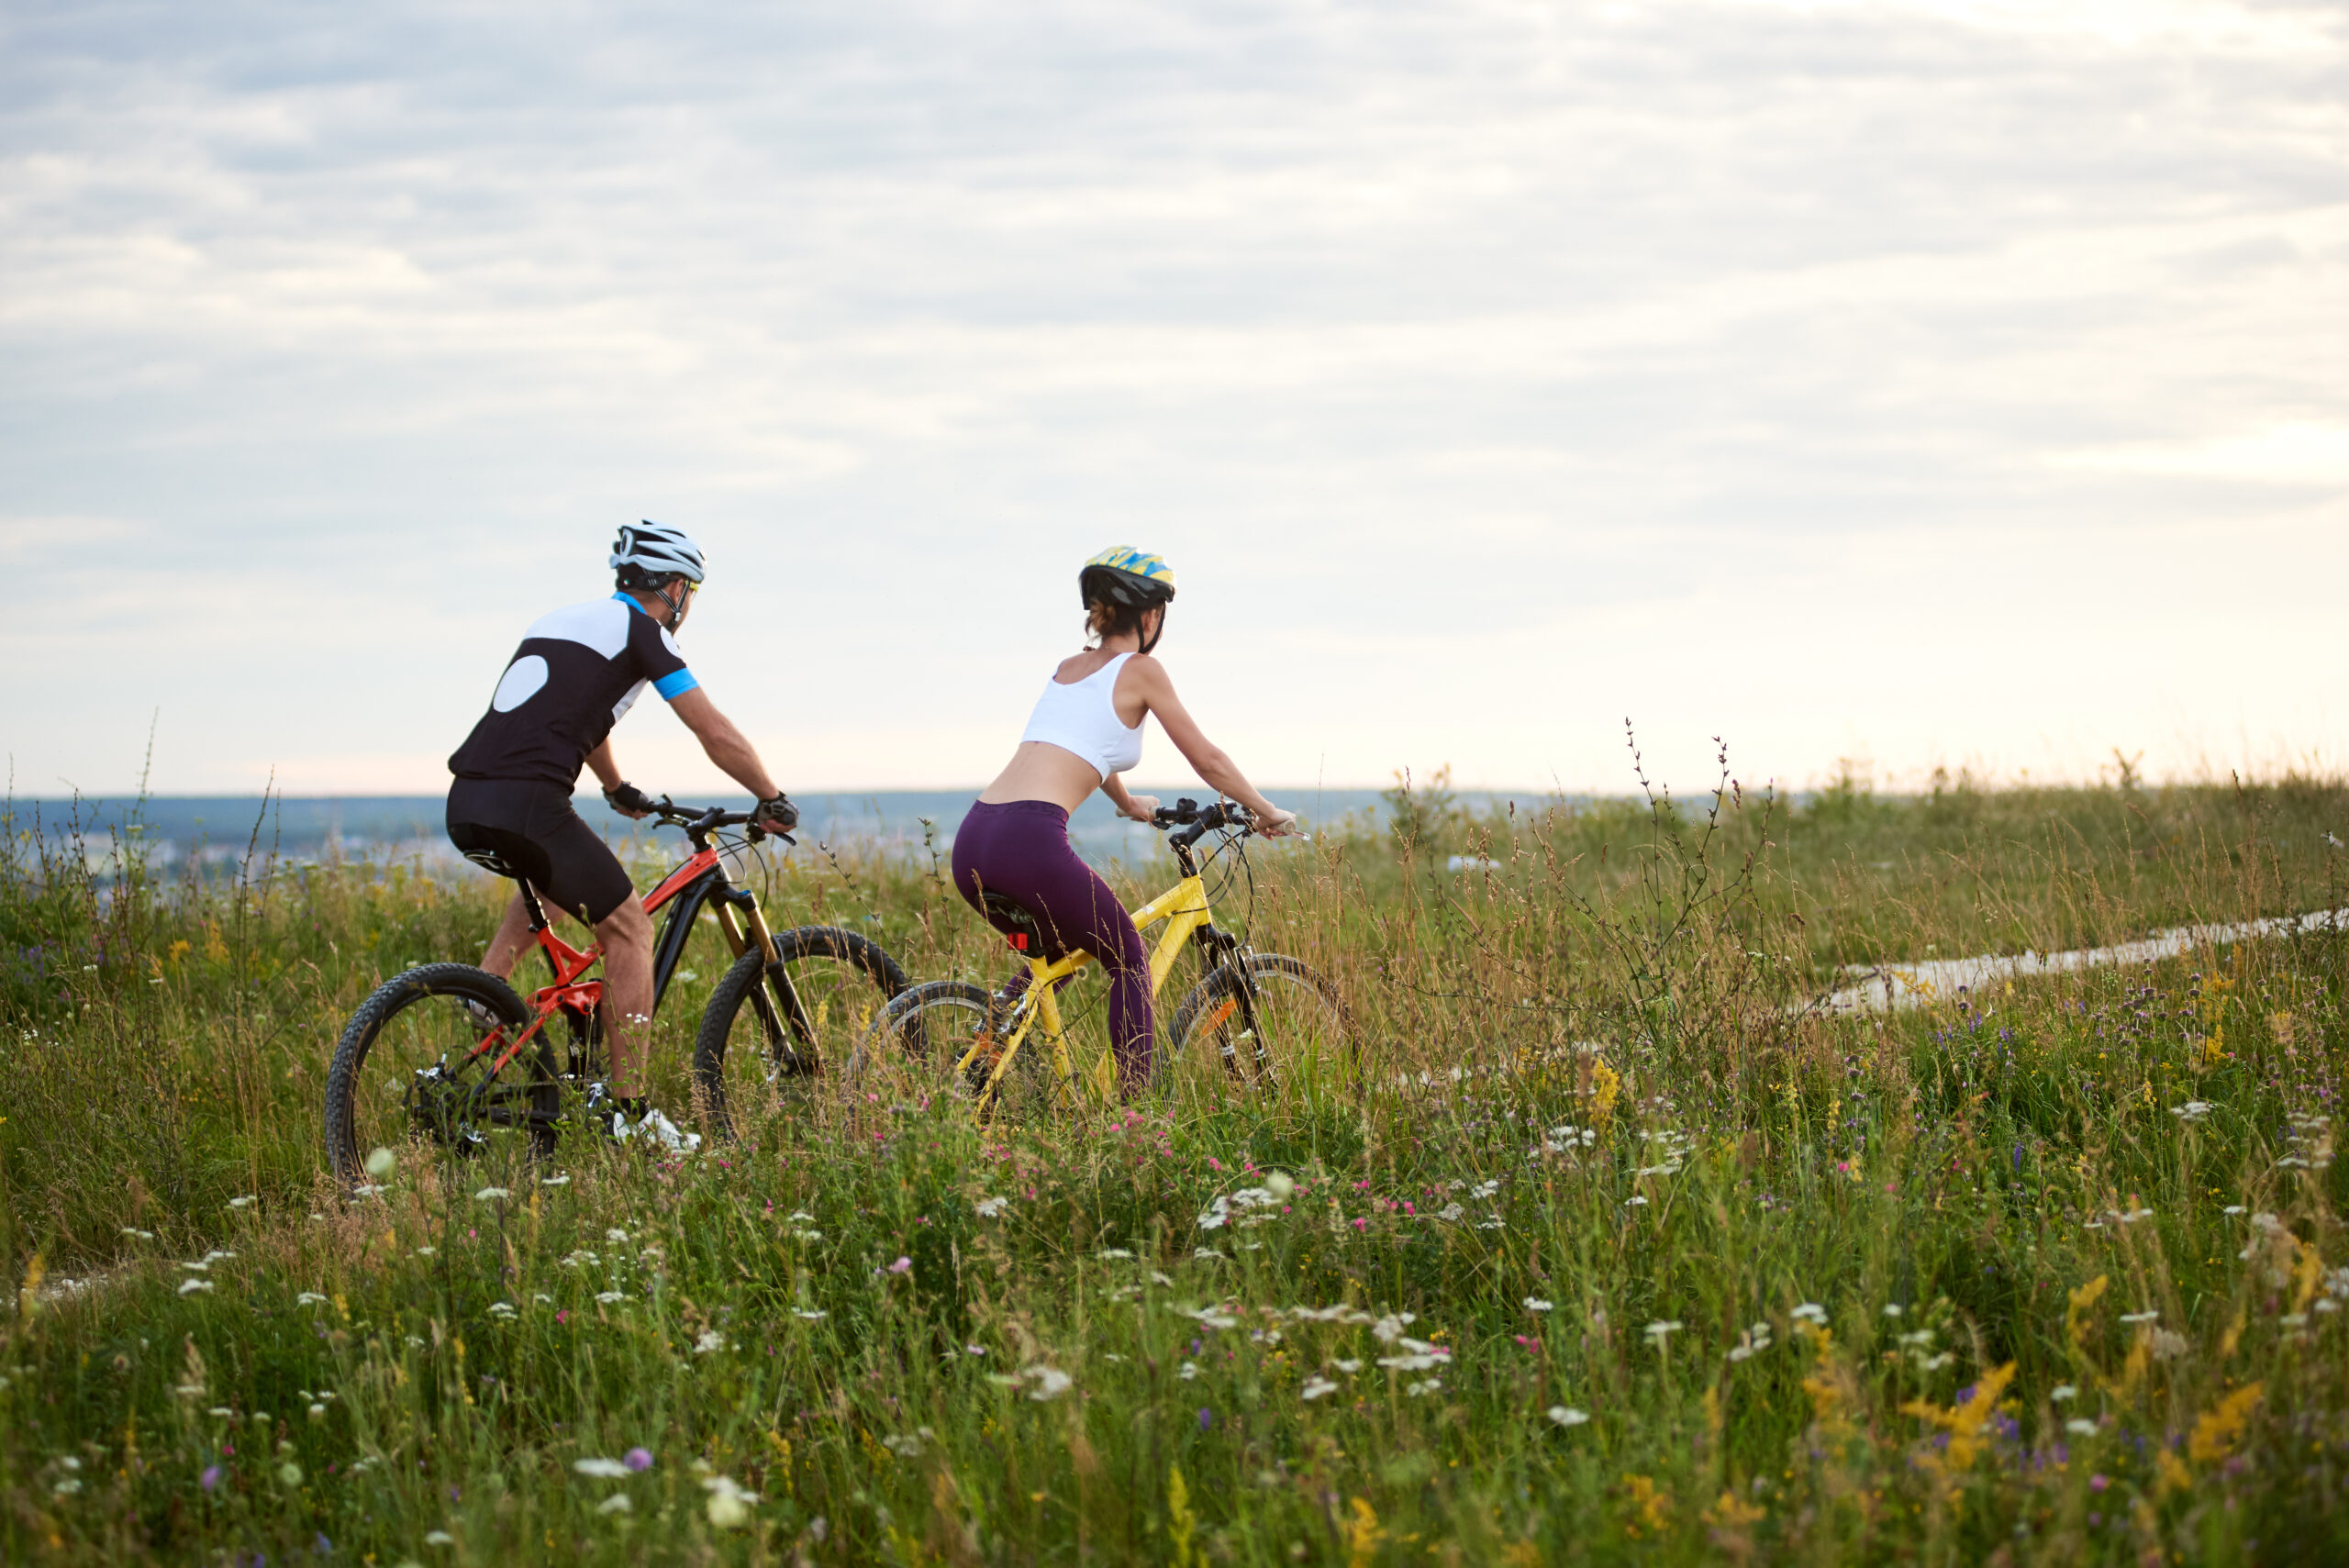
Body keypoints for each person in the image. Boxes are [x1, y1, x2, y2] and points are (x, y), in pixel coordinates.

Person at [443, 521, 797, 1146]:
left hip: (468, 798)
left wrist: (613, 786)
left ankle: (487, 993)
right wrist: (770, 797)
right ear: (673, 588)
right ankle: (627, 1117)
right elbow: (712, 731)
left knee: (554, 880)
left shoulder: (560, 621)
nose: (687, 602)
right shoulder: (645, 632)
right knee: (631, 927)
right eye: (688, 588)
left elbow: (580, 709)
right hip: (529, 803)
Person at [952, 546, 1297, 1096]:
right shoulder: (1143, 671)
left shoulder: (1069, 669)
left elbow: (1082, 740)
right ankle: (1135, 1120)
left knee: (1053, 954)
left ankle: (975, 1070)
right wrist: (1265, 809)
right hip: (1029, 842)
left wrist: (1130, 801)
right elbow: (1205, 759)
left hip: (975, 840)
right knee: (1129, 955)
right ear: (1151, 614)